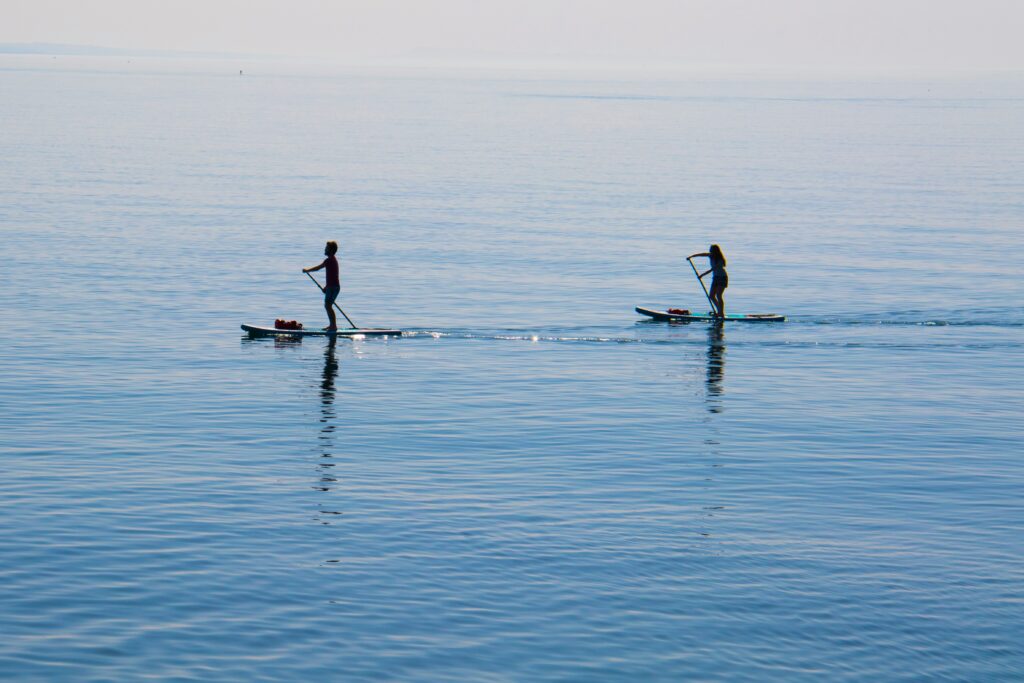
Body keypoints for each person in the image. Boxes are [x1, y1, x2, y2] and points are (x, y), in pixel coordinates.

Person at [303, 241, 341, 330]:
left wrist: (307, 270)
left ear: (331, 250)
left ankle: (333, 326)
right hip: (333, 287)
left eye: (326, 248)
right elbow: (332, 276)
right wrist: (326, 287)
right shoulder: (333, 260)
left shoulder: (329, 260)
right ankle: (332, 325)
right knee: (328, 305)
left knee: (328, 305)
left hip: (333, 287)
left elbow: (318, 268)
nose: (324, 249)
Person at [688, 244, 728, 317]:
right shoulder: (711, 256)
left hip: (722, 277)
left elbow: (713, 269)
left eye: (711, 250)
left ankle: (721, 313)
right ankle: (719, 311)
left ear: (715, 251)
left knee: (719, 295)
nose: (710, 251)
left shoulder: (720, 260)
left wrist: (702, 275)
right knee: (711, 296)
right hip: (715, 277)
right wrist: (692, 256)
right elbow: (703, 254)